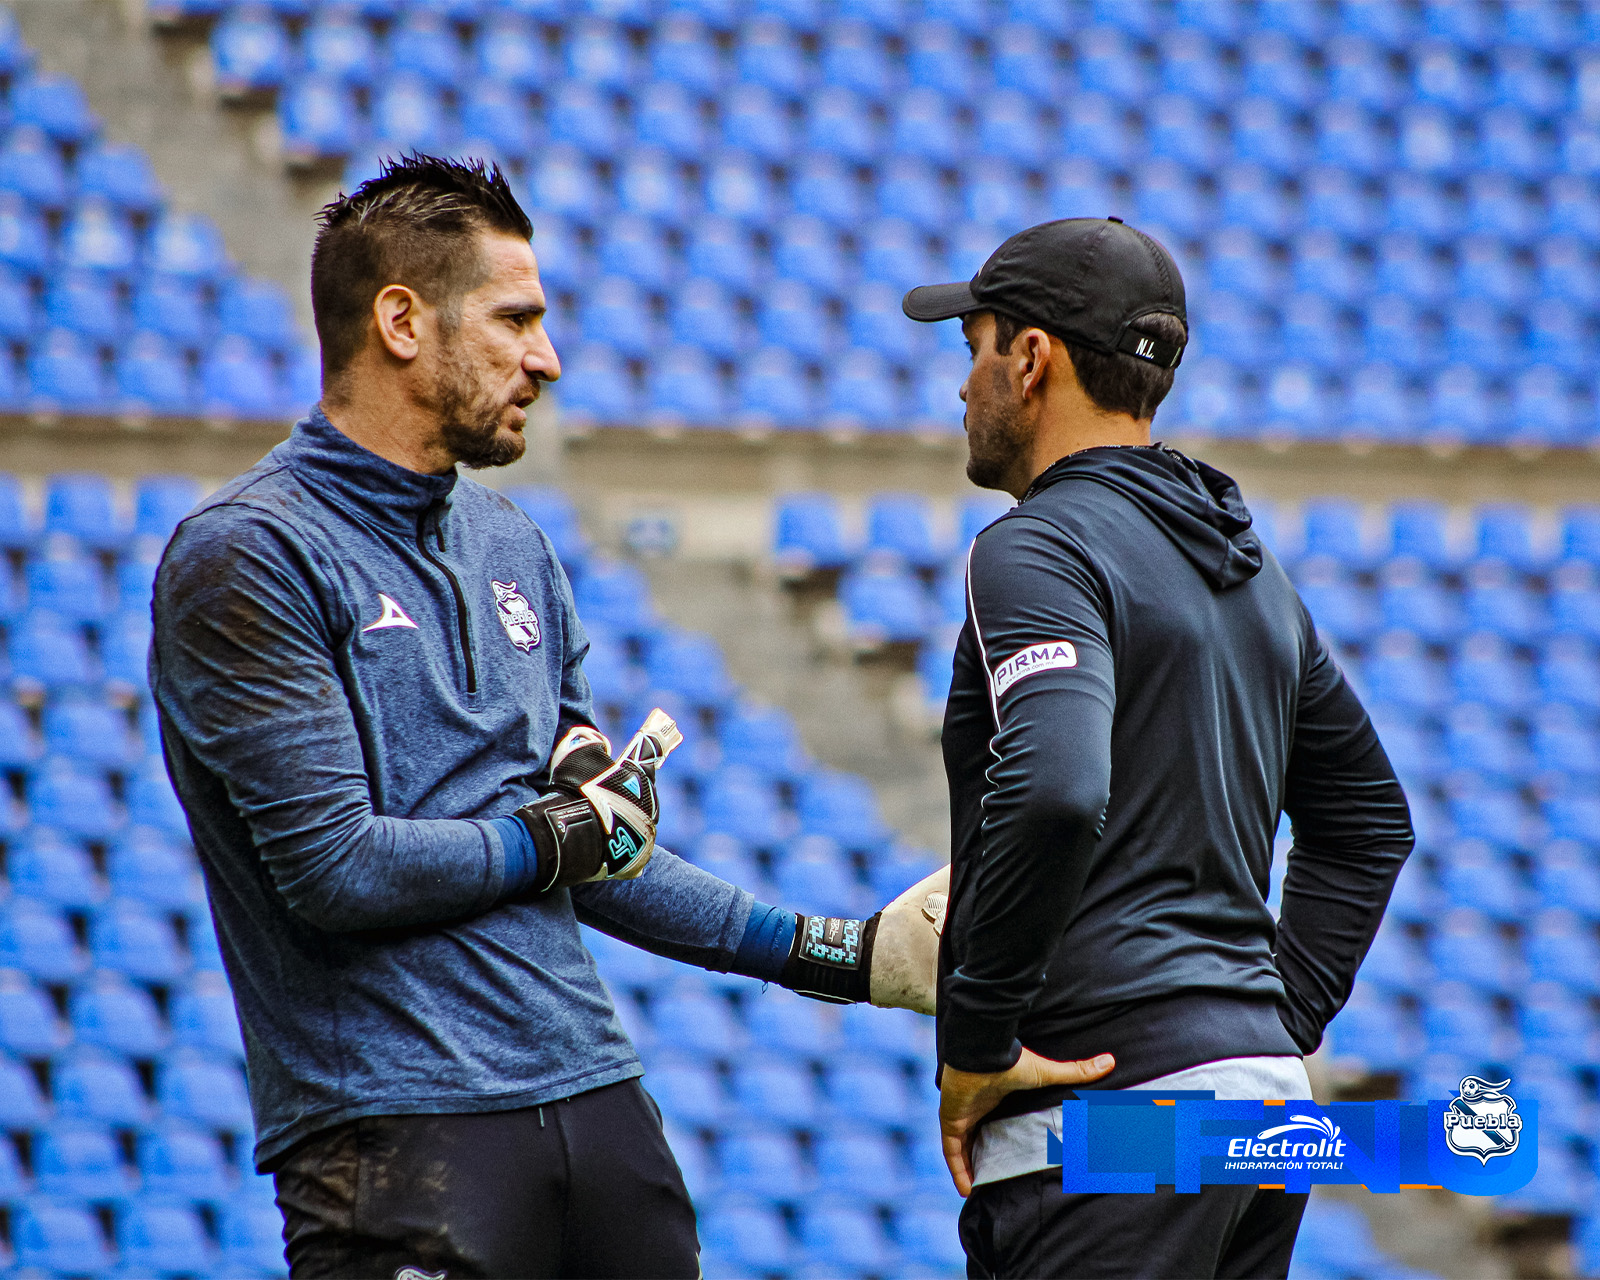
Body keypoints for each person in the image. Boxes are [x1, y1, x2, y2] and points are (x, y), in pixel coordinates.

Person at [149, 153, 949, 1280]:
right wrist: (550, 835)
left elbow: (596, 849)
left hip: (599, 1102)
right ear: (400, 321)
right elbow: (336, 868)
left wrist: (838, 953)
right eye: (515, 319)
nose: (547, 358)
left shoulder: (512, 542)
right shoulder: (249, 553)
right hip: (397, 1133)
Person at [899, 218, 1415, 1279]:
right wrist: (1261, 1019)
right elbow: (1368, 819)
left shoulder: (1035, 544)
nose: (963, 389)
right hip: (1262, 1108)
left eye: (974, 350)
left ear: (1030, 358)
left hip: (1113, 1120)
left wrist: (979, 1037)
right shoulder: (1252, 571)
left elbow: (1052, 787)